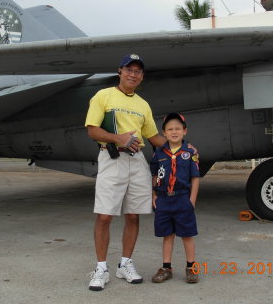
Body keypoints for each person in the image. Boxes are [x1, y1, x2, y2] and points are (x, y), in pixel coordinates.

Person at [84, 54, 168, 291]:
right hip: (111, 158)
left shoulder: (143, 105)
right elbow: (92, 130)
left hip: (137, 161)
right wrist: (116, 138)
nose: (133, 74)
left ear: (142, 76)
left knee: (133, 214)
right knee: (104, 215)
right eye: (129, 69)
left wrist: (180, 147)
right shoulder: (103, 96)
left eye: (138, 71)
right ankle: (101, 268)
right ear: (120, 71)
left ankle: (125, 264)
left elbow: (153, 137)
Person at [150, 112, 200, 284]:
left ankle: (191, 267)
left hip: (182, 199)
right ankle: (166, 268)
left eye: (178, 128)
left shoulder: (189, 153)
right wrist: (154, 193)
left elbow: (195, 178)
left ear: (184, 131)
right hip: (164, 200)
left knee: (187, 235)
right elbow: (156, 174)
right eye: (170, 129)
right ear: (164, 133)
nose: (174, 132)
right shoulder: (159, 153)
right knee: (167, 235)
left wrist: (191, 200)